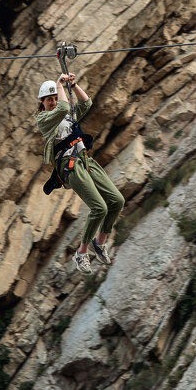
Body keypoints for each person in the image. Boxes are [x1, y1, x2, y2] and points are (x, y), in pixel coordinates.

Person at [36, 72, 125, 273]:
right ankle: (81, 252)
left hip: (85, 159)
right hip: (70, 165)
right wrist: (60, 84)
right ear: (42, 103)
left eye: (54, 98)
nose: (52, 102)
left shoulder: (66, 114)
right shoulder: (44, 119)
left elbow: (86, 103)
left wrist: (74, 85)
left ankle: (100, 242)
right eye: (48, 100)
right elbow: (64, 107)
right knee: (99, 208)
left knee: (117, 201)